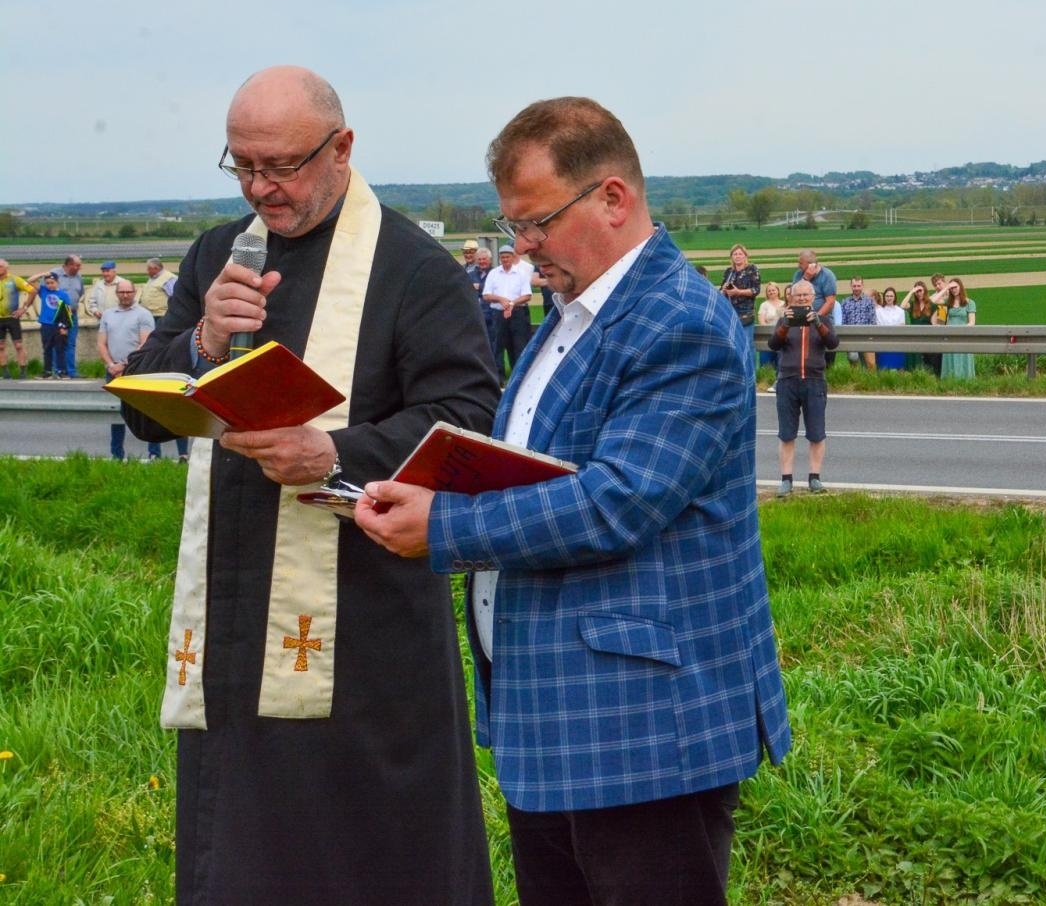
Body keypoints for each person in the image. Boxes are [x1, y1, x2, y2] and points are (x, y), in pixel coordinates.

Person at [353, 96, 790, 906]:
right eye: (513, 224)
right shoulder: (574, 316)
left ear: (613, 198)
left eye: (537, 222)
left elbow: (616, 502)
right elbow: (535, 466)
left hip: (646, 729)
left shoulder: (680, 323)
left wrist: (444, 525)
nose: (522, 245)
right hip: (556, 714)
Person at [120, 65, 499, 904]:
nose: (262, 188)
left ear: (342, 148)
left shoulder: (413, 267)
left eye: (282, 166)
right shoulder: (221, 254)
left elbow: (466, 420)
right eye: (242, 165)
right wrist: (200, 346)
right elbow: (149, 405)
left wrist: (333, 455)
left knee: (365, 850)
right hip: (232, 611)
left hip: (366, 620)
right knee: (243, 847)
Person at [98, 281, 187, 461]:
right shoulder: (108, 315)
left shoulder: (143, 315)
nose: (125, 295)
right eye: (121, 292)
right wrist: (110, 365)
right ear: (116, 293)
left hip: (136, 369)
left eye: (128, 292)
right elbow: (101, 342)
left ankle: (154, 453)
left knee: (146, 413)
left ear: (134, 292)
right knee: (115, 413)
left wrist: (124, 364)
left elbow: (145, 343)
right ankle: (117, 454)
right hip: (113, 370)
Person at [770, 278, 837, 496]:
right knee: (786, 433)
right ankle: (786, 479)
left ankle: (814, 478)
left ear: (813, 298)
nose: (801, 299)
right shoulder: (784, 320)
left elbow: (833, 343)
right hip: (787, 380)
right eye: (797, 295)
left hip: (814, 380)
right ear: (791, 297)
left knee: (817, 433)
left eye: (806, 295)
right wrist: (786, 325)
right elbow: (773, 345)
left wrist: (817, 322)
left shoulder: (824, 319)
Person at [482, 243, 534, 378]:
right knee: (497, 346)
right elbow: (486, 295)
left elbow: (527, 295)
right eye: (503, 257)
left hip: (517, 313)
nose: (505, 260)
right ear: (500, 258)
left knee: (518, 345)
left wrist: (511, 303)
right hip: (498, 314)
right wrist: (500, 299)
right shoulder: (493, 273)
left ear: (512, 257)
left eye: (507, 257)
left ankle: (519, 376)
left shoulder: (521, 274)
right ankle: (498, 377)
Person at [719, 242, 761, 350]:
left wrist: (739, 292)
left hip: (745, 314)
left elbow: (756, 290)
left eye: (740, 254)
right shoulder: (729, 272)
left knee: (747, 344)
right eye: (735, 254)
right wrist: (723, 290)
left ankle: (750, 367)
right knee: (732, 345)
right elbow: (721, 292)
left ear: (745, 256)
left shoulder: (752, 269)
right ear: (731, 257)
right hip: (730, 314)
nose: (737, 256)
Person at [0, 259, 36, 378]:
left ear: (6, 268)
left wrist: (24, 308)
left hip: (12, 317)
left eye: (0, 267)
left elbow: (32, 291)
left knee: (18, 345)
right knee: (1, 346)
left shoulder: (14, 279)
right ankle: (5, 372)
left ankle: (23, 371)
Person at [33, 270, 72, 378]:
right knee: (47, 349)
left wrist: (65, 327)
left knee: (60, 349)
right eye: (48, 283)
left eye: (52, 283)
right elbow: (30, 281)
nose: (50, 285)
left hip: (58, 325)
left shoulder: (63, 294)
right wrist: (42, 274)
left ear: (57, 282)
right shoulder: (44, 291)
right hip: (46, 324)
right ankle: (47, 371)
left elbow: (67, 312)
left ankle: (62, 371)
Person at [54, 254, 85, 376]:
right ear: (69, 264)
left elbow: (81, 292)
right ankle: (57, 370)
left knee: (71, 343)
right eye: (78, 265)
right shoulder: (55, 274)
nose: (80, 267)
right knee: (57, 343)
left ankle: (71, 371)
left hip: (72, 313)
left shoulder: (79, 277)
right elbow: (45, 292)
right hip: (58, 314)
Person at [838, 275, 878, 370]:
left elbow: (872, 321)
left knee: (871, 364)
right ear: (851, 286)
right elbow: (843, 321)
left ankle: (872, 382)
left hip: (866, 336)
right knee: (853, 359)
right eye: (854, 286)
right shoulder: (845, 302)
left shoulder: (869, 301)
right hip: (852, 337)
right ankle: (856, 382)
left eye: (858, 286)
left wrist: (871, 337)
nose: (856, 288)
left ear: (862, 286)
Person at [902, 280, 940, 375]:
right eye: (917, 291)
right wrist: (911, 291)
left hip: (928, 336)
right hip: (915, 336)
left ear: (925, 291)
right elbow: (902, 306)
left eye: (921, 290)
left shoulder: (932, 305)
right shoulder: (913, 305)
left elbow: (934, 322)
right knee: (917, 360)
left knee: (930, 360)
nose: (919, 293)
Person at [941, 277, 976, 379]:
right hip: (949, 336)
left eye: (955, 287)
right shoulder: (947, 302)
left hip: (963, 336)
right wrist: (945, 288)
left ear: (960, 287)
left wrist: (960, 330)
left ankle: (966, 381)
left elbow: (972, 322)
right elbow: (933, 302)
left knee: (963, 358)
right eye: (951, 288)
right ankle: (950, 381)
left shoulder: (970, 303)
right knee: (950, 357)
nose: (953, 290)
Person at [875, 285, 906, 371]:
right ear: (884, 297)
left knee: (899, 367)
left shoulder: (900, 311)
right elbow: (879, 326)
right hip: (883, 342)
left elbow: (901, 327)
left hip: (897, 343)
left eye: (891, 296)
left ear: (894, 297)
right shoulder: (879, 311)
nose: (889, 298)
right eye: (887, 296)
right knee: (883, 368)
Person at [756, 280, 785, 369]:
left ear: (778, 291)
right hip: (768, 336)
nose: (771, 292)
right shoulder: (764, 305)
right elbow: (761, 321)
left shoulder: (784, 304)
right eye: (769, 291)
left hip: (782, 336)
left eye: (773, 290)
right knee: (766, 363)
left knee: (781, 362)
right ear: (767, 293)